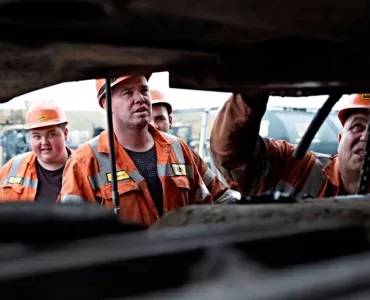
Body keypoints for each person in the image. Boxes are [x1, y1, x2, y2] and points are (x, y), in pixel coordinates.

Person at [60, 75, 214, 227]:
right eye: (127, 92)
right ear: (106, 104)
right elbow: (71, 232)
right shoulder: (84, 162)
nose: (140, 98)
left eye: (143, 90)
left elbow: (205, 211)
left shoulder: (178, 148)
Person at [210, 93, 370, 199]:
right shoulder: (298, 167)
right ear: (340, 139)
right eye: (358, 126)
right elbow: (232, 154)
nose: (366, 137)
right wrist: (251, 94)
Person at [150, 88, 239, 204]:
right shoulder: (124, 158)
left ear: (170, 121)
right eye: (148, 120)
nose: (154, 126)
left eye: (160, 118)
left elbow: (219, 194)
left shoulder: (184, 153)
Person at [0, 100, 72, 202]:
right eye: (37, 136)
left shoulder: (84, 169)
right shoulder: (12, 168)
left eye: (51, 134)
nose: (44, 142)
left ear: (65, 133)